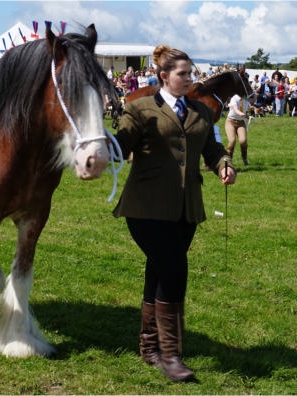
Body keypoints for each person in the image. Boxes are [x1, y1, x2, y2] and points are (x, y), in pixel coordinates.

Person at [112, 44, 236, 383]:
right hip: (146, 208)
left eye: (190, 73)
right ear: (163, 76)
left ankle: (150, 347)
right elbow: (120, 147)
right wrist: (100, 146)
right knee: (174, 272)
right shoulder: (140, 110)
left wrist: (224, 165)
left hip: (185, 209)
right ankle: (171, 356)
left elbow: (211, 149)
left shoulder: (201, 111)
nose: (189, 78)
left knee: (159, 272)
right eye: (183, 74)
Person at [225, 93, 249, 165]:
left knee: (243, 141)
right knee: (232, 141)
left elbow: (245, 112)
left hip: (241, 122)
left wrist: (248, 116)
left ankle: (244, 158)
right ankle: (229, 161)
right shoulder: (234, 98)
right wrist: (241, 114)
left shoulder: (246, 100)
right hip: (230, 122)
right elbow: (236, 110)